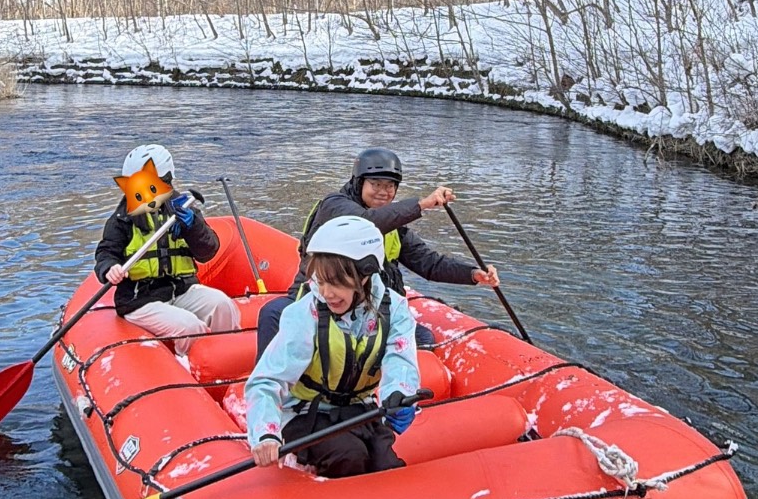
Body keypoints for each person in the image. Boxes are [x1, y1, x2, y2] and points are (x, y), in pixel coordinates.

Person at [256, 145, 501, 353]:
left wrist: (473, 274)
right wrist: (422, 204)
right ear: (359, 182)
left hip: (365, 306)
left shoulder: (393, 225)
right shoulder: (335, 205)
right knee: (274, 312)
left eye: (390, 186)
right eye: (376, 184)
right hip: (321, 300)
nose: (384, 192)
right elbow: (365, 223)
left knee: (423, 338)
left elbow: (429, 263)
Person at [245, 216, 421, 478]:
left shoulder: (394, 309)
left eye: (336, 282)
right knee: (348, 456)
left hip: (360, 410)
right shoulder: (305, 314)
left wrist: (399, 394)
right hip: (306, 413)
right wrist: (265, 433)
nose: (326, 293)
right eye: (321, 281)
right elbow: (267, 380)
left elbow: (400, 358)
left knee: (386, 465)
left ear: (365, 274)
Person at [94, 143, 239, 342]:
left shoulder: (182, 208)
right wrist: (110, 268)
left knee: (223, 306)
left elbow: (208, 251)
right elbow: (106, 253)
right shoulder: (122, 218)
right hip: (140, 299)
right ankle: (191, 359)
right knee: (189, 327)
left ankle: (227, 353)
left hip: (180, 289)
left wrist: (192, 227)